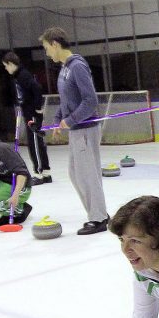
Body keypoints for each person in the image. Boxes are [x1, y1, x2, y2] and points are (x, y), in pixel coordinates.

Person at [39, 26, 109, 235]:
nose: (46, 53)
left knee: (87, 175)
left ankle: (99, 218)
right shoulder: (64, 68)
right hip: (76, 130)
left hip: (85, 129)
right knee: (75, 174)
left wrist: (71, 120)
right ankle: (99, 213)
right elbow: (67, 99)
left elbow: (90, 101)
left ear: (55, 44)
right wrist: (60, 119)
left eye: (46, 48)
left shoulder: (77, 66)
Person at [2, 51, 51, 185]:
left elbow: (37, 88)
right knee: (37, 143)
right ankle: (46, 172)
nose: (6, 69)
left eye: (6, 66)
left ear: (11, 64)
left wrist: (37, 108)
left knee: (34, 144)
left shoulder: (23, 75)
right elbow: (24, 94)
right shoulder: (18, 76)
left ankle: (39, 173)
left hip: (32, 116)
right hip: (28, 113)